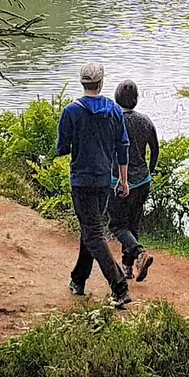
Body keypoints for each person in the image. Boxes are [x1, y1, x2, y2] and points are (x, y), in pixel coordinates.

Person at [57, 61, 130, 306]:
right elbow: (123, 146)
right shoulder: (114, 110)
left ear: (82, 83)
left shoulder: (71, 111)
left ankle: (119, 286)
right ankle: (78, 279)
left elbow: (62, 148)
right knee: (90, 229)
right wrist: (123, 179)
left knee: (94, 233)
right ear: (101, 83)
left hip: (81, 180)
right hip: (103, 182)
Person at [110, 79, 158, 282]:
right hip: (142, 180)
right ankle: (127, 268)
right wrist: (150, 171)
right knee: (133, 224)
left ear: (116, 98)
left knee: (118, 226)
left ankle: (139, 255)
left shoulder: (113, 120)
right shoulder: (145, 120)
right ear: (136, 99)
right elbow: (154, 150)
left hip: (118, 181)